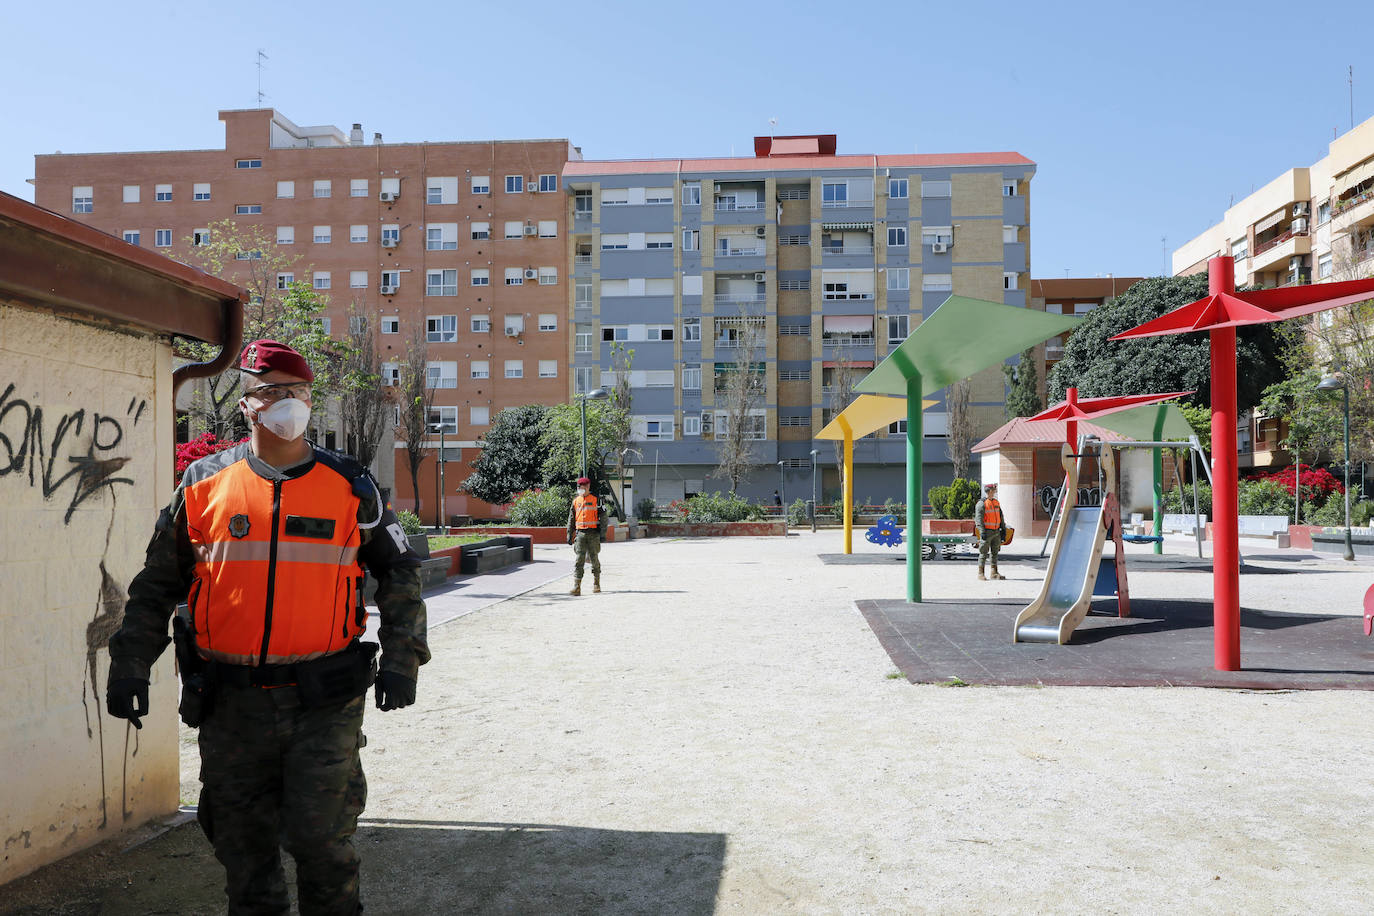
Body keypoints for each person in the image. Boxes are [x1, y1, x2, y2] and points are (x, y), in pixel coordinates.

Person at [105, 339, 430, 915]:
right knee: (242, 849)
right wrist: (131, 664)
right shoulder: (202, 483)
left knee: (321, 843)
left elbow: (400, 572)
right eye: (273, 392)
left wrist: (403, 660)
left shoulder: (352, 485)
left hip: (323, 700)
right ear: (247, 406)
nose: (288, 403)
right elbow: (158, 583)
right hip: (230, 703)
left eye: (298, 392)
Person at [566, 476, 603, 595]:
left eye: (582, 487)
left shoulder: (596, 500)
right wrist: (569, 533)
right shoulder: (576, 501)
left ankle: (596, 584)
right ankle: (577, 587)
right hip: (580, 534)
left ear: (588, 487)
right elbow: (571, 518)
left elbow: (604, 517)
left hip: (593, 534)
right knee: (579, 560)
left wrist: (603, 533)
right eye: (579, 487)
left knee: (594, 558)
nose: (580, 490)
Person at [974, 482, 1008, 581]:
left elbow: (1001, 517)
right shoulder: (981, 504)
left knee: (995, 552)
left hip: (996, 532)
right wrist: (982, 532)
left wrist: (1003, 530)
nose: (995, 492)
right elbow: (978, 519)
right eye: (993, 490)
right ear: (989, 491)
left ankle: (994, 572)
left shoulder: (996, 502)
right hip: (987, 532)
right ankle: (981, 573)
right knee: (983, 553)